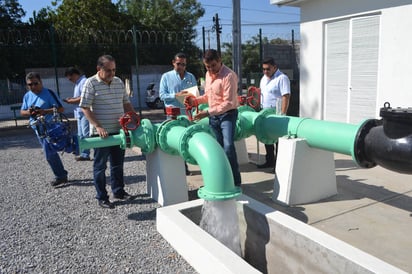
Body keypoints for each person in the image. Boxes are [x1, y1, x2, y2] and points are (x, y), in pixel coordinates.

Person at [80, 55, 136, 209]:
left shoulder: (118, 82)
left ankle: (119, 191)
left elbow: (126, 103)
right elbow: (84, 107)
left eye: (114, 69)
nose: (112, 73)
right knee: (100, 166)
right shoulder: (90, 83)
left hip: (118, 132)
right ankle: (102, 197)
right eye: (108, 70)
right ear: (99, 69)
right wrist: (98, 126)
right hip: (101, 134)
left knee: (117, 164)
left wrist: (134, 118)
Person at [184, 49, 241, 186]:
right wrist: (195, 101)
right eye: (207, 67)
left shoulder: (229, 76)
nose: (210, 69)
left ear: (220, 60)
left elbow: (228, 103)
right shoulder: (208, 75)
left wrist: (207, 112)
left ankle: (235, 182)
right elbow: (208, 97)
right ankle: (222, 181)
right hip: (214, 117)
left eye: (213, 65)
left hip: (227, 115)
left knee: (228, 147)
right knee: (217, 148)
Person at [20, 72, 68, 187]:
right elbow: (22, 112)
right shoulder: (27, 96)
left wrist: (44, 111)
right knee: (51, 152)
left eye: (35, 83)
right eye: (30, 85)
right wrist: (30, 112)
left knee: (49, 153)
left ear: (41, 82)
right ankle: (61, 175)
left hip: (50, 127)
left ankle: (60, 176)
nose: (33, 87)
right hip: (38, 128)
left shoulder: (49, 93)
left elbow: (61, 109)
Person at [159, 52, 197, 176]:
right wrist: (175, 95)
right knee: (175, 139)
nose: (181, 67)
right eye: (179, 64)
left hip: (187, 113)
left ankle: (185, 165)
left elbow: (195, 94)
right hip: (173, 114)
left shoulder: (190, 77)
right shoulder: (166, 77)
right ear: (173, 63)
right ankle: (177, 167)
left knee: (186, 139)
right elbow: (162, 95)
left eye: (184, 64)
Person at [257, 57, 291, 172]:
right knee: (268, 138)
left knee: (278, 141)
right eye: (264, 69)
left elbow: (285, 96)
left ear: (275, 67)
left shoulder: (282, 78)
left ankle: (279, 165)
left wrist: (282, 114)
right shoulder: (263, 78)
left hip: (276, 113)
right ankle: (269, 161)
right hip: (265, 113)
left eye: (268, 69)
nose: (265, 72)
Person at [63, 67, 90, 161]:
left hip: (84, 112)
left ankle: (85, 154)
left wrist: (71, 101)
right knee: (81, 134)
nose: (70, 81)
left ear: (75, 74)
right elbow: (79, 97)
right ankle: (83, 153)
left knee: (85, 134)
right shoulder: (78, 83)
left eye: (70, 78)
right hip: (80, 112)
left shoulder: (83, 82)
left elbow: (84, 97)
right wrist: (72, 99)